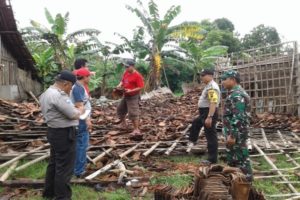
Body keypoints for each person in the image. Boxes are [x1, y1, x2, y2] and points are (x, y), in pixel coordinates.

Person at [40, 70, 83, 200]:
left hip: (53, 131)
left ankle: (49, 192)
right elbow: (73, 114)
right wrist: (80, 109)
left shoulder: (46, 93)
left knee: (54, 163)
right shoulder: (59, 96)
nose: (71, 89)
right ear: (66, 84)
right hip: (64, 134)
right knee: (64, 167)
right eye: (71, 86)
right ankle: (62, 197)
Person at [221, 70, 253, 182]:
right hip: (234, 133)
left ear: (233, 80)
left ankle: (246, 185)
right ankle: (235, 183)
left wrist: (233, 135)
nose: (222, 82)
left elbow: (238, 117)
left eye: (224, 79)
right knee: (233, 158)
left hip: (237, 134)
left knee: (241, 159)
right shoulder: (235, 93)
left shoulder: (237, 95)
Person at [187, 68, 220, 164]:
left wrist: (209, 117)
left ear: (210, 76)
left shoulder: (212, 87)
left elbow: (213, 102)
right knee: (196, 123)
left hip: (208, 112)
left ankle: (212, 159)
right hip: (204, 112)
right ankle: (192, 140)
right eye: (201, 75)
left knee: (210, 135)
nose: (201, 77)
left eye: (203, 75)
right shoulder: (208, 85)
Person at [71, 67, 92, 178]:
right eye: (88, 76)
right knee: (81, 145)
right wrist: (87, 119)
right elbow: (80, 106)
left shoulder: (80, 86)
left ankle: (79, 166)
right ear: (84, 77)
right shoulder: (78, 88)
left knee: (81, 144)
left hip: (80, 119)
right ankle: (79, 171)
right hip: (81, 120)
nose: (90, 78)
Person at [116, 59, 144, 136]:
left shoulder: (137, 75)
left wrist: (131, 90)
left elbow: (140, 87)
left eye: (127, 67)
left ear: (133, 66)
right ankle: (123, 124)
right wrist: (119, 85)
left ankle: (136, 129)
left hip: (133, 96)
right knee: (120, 109)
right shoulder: (126, 72)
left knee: (133, 112)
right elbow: (123, 80)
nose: (126, 68)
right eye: (125, 66)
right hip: (126, 94)